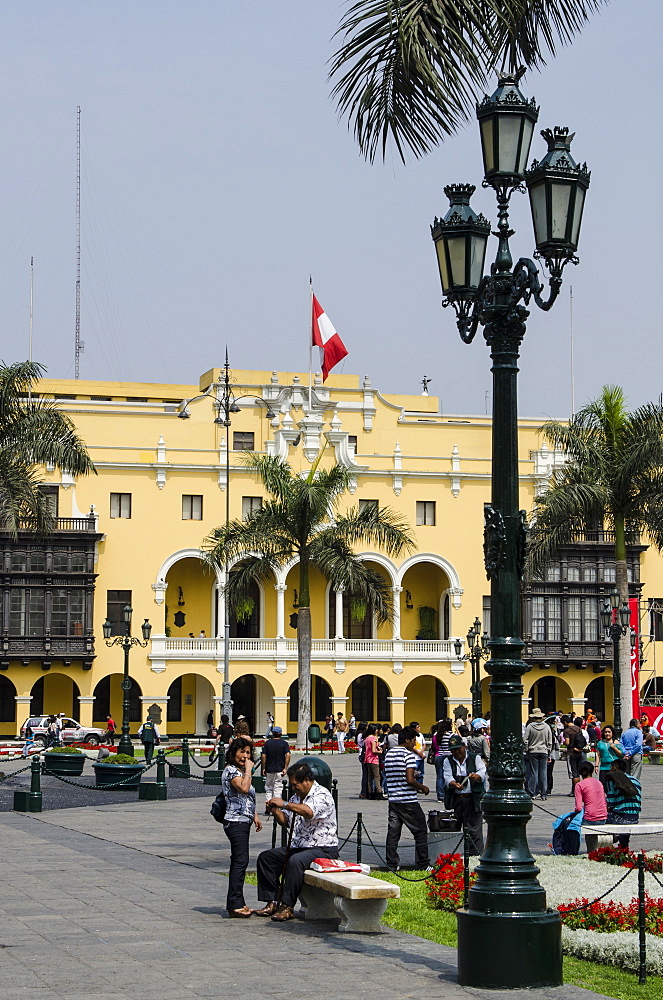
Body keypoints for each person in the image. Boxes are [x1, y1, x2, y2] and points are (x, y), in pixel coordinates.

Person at [254, 761, 338, 922]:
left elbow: (308, 812)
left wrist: (284, 803)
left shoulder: (322, 794)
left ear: (306, 780)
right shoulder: (297, 796)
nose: (293, 788)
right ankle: (271, 901)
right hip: (300, 845)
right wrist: (276, 810)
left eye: (295, 785)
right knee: (267, 858)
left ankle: (287, 906)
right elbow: (286, 821)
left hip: (323, 847)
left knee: (295, 861)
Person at [222, 736, 263, 917]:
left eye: (248, 752)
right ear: (233, 753)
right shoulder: (231, 771)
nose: (245, 756)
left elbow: (246, 798)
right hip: (235, 821)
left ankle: (238, 902)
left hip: (244, 820)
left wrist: (254, 815)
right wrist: (248, 771)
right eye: (241, 752)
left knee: (240, 861)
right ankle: (235, 904)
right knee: (240, 861)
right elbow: (244, 789)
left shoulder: (240, 771)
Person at [384, 726, 431, 871]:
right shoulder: (408, 755)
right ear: (407, 740)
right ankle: (423, 864)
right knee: (420, 830)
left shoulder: (389, 754)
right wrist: (422, 787)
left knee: (393, 832)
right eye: (413, 741)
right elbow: (409, 779)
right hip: (408, 800)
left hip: (393, 799)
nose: (414, 745)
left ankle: (392, 863)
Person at [443, 733, 486, 854]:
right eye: (453, 750)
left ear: (464, 747)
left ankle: (475, 856)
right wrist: (453, 783)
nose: (456, 752)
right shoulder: (448, 760)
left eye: (458, 749)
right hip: (457, 799)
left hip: (472, 799)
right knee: (454, 829)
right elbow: (447, 776)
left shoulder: (474, 758)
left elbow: (482, 771)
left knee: (474, 830)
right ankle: (454, 857)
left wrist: (477, 776)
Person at [605, 758, 642, 848]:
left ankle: (612, 838)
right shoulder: (635, 780)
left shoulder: (612, 780)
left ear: (614, 768)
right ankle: (624, 845)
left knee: (597, 818)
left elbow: (611, 803)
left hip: (621, 817)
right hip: (635, 817)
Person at [523, 708, 553, 800]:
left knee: (533, 772)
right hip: (544, 751)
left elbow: (525, 740)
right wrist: (548, 751)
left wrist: (527, 749)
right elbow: (550, 741)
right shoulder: (547, 727)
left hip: (533, 751)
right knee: (543, 773)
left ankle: (532, 792)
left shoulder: (530, 726)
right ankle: (543, 793)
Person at [261, 726, 291, 808]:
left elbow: (263, 756)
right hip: (280, 769)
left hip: (269, 769)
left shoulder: (268, 743)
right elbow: (288, 755)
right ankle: (276, 806)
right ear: (280, 734)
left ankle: (268, 806)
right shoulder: (284, 743)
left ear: (273, 733)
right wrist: (285, 767)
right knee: (278, 788)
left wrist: (264, 767)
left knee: (269, 788)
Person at [562, 715, 585, 790]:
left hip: (571, 752)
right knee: (578, 772)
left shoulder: (567, 731)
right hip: (578, 751)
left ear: (565, 722)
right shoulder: (578, 729)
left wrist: (564, 742)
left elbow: (567, 743)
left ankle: (575, 790)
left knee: (574, 773)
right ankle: (578, 789)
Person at [431, 720, 452, 801]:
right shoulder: (449, 735)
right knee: (448, 775)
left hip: (438, 756)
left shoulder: (436, 736)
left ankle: (440, 795)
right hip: (448, 756)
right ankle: (447, 793)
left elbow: (434, 746)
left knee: (439, 776)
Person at [363, 724, 383, 798]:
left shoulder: (367, 738)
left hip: (367, 759)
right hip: (374, 759)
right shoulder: (373, 739)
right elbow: (373, 750)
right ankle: (379, 792)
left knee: (370, 777)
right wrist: (380, 752)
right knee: (377, 777)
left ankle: (370, 793)